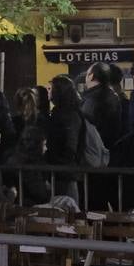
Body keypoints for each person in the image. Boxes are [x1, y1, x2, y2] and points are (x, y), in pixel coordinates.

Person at [44, 75, 88, 204]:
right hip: (62, 172)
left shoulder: (68, 115)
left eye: (50, 88)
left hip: (65, 174)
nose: (48, 91)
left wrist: (57, 162)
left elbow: (71, 146)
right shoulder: (61, 112)